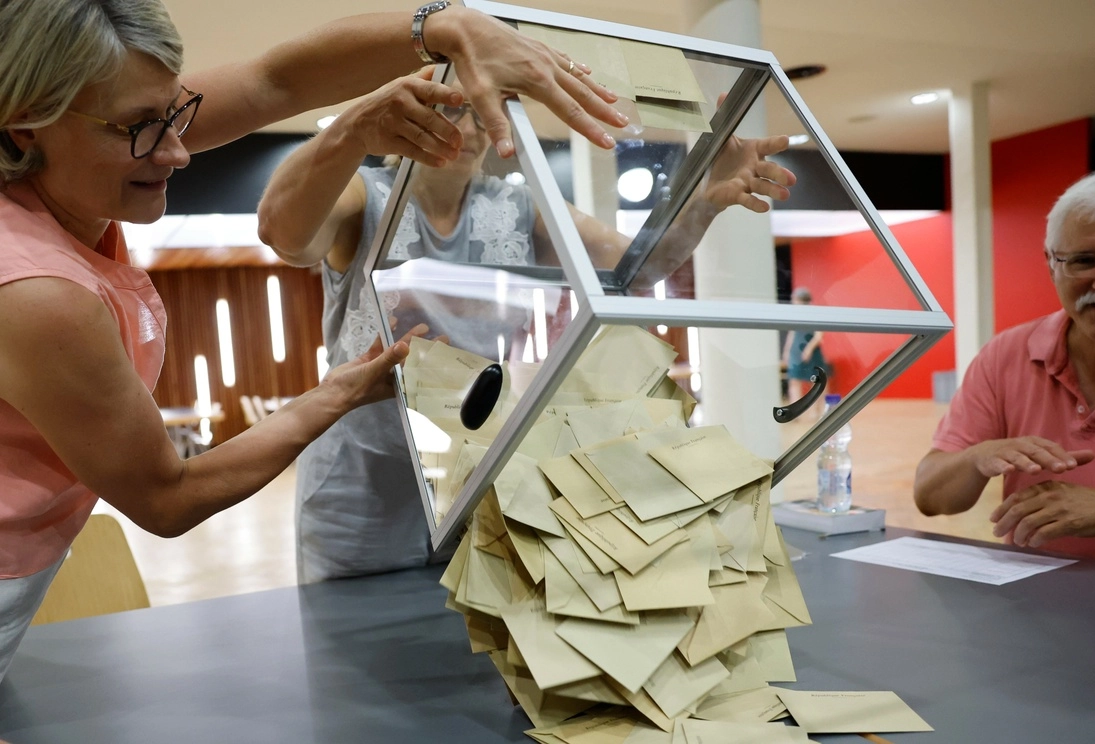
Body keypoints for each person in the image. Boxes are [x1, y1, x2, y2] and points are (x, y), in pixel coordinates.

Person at [0, 0, 631, 683]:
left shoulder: (80, 161)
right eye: (138, 129)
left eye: (174, 114)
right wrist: (333, 395)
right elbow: (167, 496)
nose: (180, 149)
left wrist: (438, 26)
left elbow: (278, 80)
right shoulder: (39, 292)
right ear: (20, 130)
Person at [257, 78, 798, 582]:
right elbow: (283, 233)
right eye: (448, 109)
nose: (466, 129)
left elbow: (636, 266)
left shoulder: (517, 205)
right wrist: (354, 126)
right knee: (352, 659)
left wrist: (700, 198)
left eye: (478, 113)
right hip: (361, 478)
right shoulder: (364, 195)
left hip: (472, 472)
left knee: (469, 652)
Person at [914, 165, 1095, 561]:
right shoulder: (1008, 353)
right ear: (1051, 263)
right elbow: (931, 497)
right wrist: (976, 456)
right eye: (1085, 260)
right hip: (1031, 597)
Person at [782, 287, 829, 407]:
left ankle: (818, 410)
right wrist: (787, 351)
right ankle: (795, 409)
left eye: (795, 299)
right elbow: (792, 333)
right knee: (794, 381)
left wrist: (808, 349)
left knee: (816, 381)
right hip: (796, 351)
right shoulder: (795, 315)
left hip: (812, 351)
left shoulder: (815, 313)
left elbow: (818, 336)